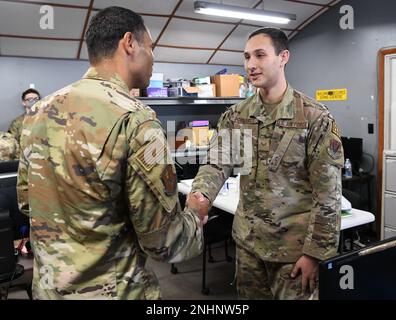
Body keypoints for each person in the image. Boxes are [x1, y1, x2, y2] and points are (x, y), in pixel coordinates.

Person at [17, 6, 207, 300]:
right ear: (129, 43)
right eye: (152, 47)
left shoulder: (38, 113)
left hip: (49, 290)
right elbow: (165, 243)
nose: (154, 58)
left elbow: (28, 203)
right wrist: (195, 214)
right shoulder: (138, 120)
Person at [186, 27, 344, 300]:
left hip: (294, 255)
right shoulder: (237, 116)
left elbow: (328, 194)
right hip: (248, 248)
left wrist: (315, 254)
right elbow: (216, 163)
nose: (251, 64)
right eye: (247, 57)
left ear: (283, 57)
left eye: (260, 55)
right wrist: (201, 194)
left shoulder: (314, 117)